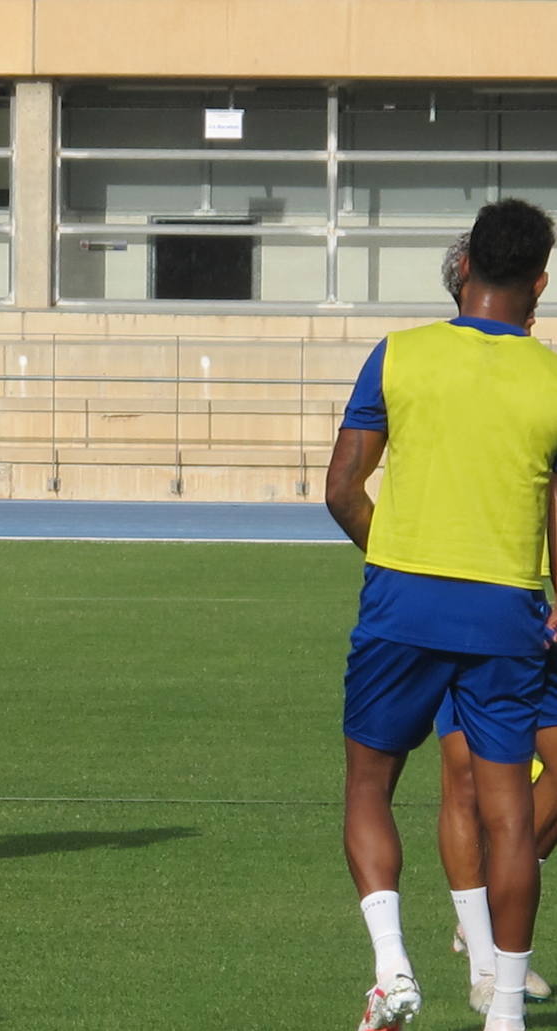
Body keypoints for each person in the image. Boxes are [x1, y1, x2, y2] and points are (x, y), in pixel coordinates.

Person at [326, 197, 557, 1031]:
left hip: (402, 599)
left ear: (463, 271)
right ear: (539, 283)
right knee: (509, 813)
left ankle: (393, 970)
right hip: (508, 611)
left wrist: (400, 552)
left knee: (368, 784)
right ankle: (505, 1011)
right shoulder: (553, 378)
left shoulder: (399, 356)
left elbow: (342, 489)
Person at [433, 232, 553, 1012]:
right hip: (454, 603)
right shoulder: (427, 365)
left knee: (507, 799)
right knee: (466, 775)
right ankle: (486, 958)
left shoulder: (538, 376)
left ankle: (491, 925)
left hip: (530, 605)